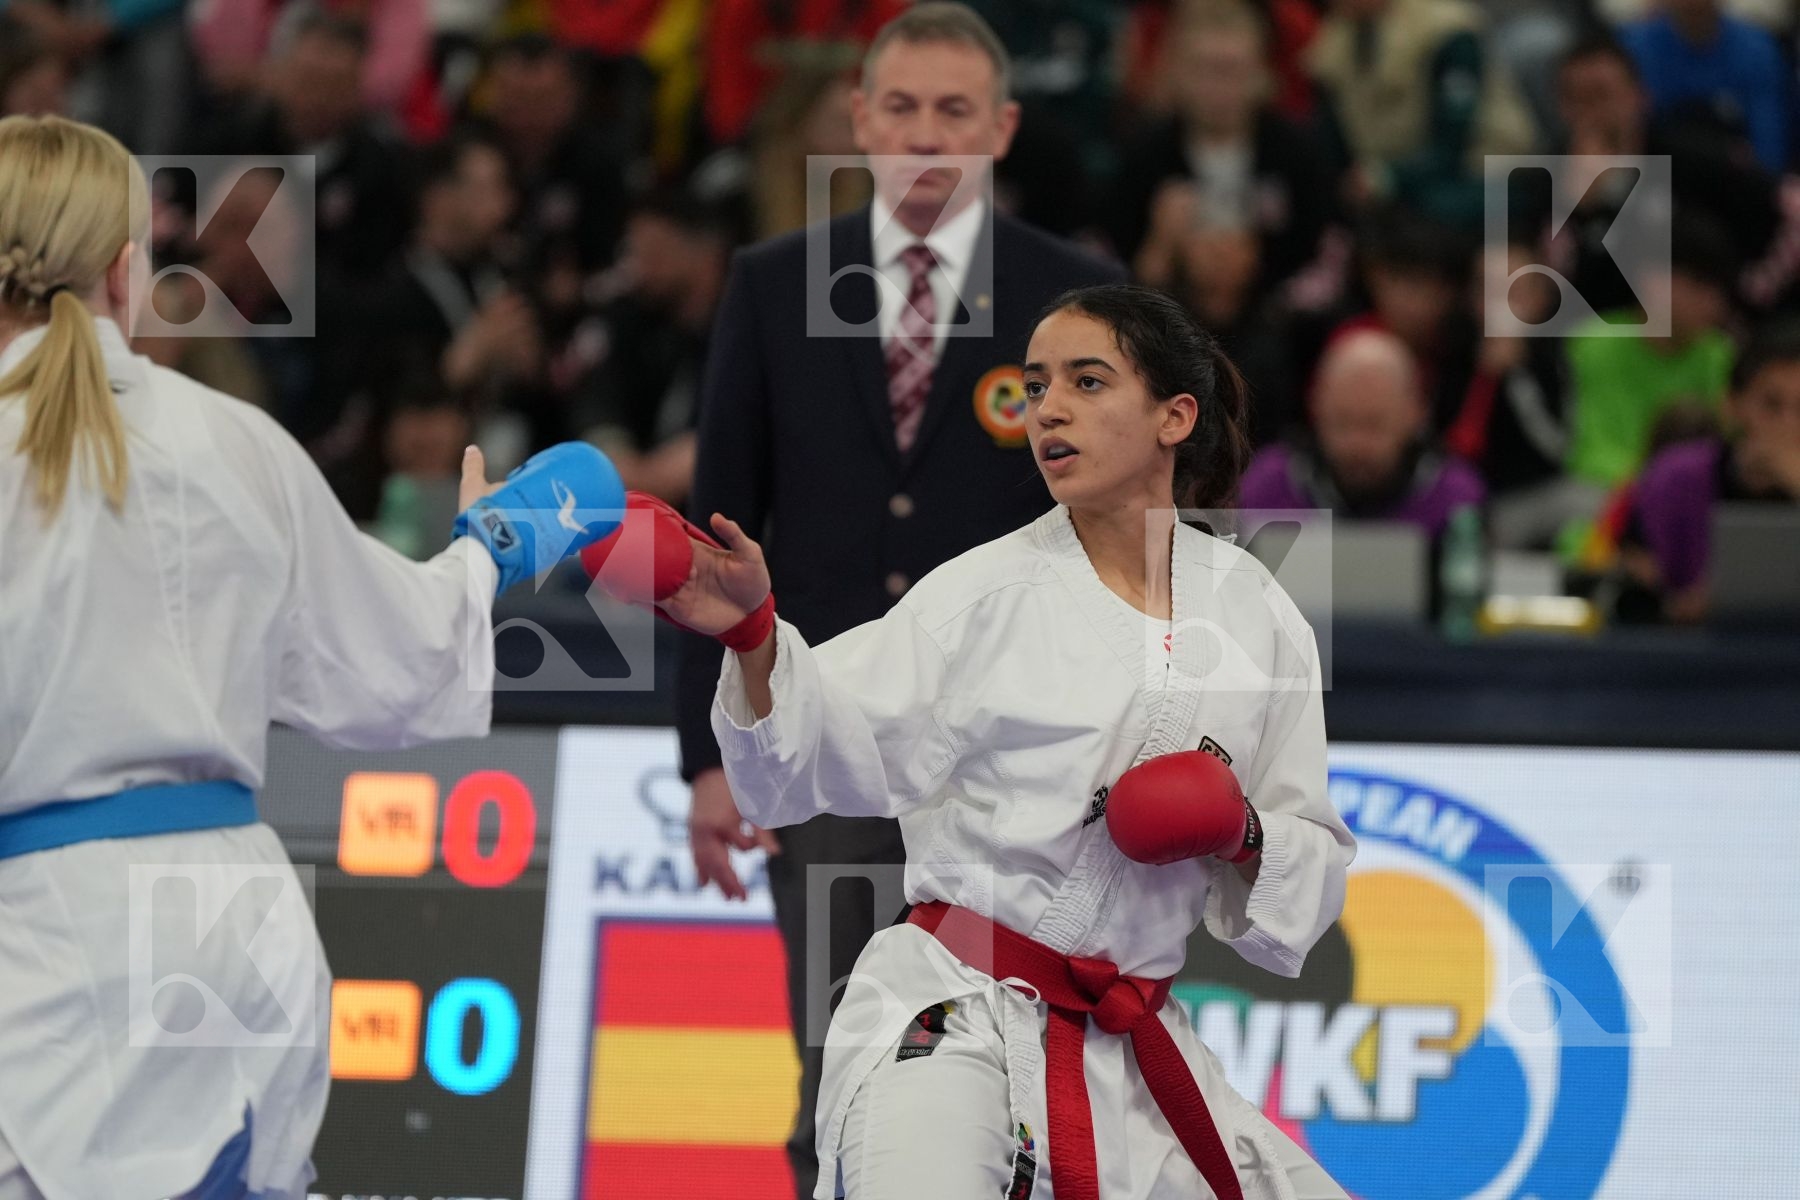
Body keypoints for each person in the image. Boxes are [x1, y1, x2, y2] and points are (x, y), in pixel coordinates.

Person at [593, 282, 1353, 1199]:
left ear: (1174, 417)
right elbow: (809, 748)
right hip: (955, 1013)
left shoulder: (1257, 612)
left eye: (1087, 381)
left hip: (1131, 1041)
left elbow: (1306, 877)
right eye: (1036, 387)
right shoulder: (984, 597)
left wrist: (1243, 833)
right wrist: (754, 635)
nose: (1050, 410)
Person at [0, 114, 620, 1200]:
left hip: (42, 939)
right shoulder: (233, 439)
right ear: (123, 268)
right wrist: (491, 550)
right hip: (237, 927)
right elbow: (396, 659)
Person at [672, 6, 1123, 1196]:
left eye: (957, 112)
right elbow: (711, 540)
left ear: (1004, 128)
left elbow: (1115, 532)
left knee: (1019, 1069)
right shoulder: (774, 286)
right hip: (828, 738)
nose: (929, 136)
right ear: (860, 119)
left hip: (1020, 756)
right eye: (906, 109)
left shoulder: (1077, 299)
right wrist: (704, 758)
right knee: (835, 1059)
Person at [1619, 317, 1800, 622]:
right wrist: (1676, 603)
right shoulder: (1675, 475)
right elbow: (1633, 577)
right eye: (1771, 405)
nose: (1788, 424)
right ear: (1732, 405)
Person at [1241, 327, 1486, 539]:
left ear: (1415, 415)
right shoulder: (1268, 487)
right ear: (1315, 407)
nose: (1357, 445)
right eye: (1342, 423)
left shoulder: (1454, 501)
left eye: (1374, 424)